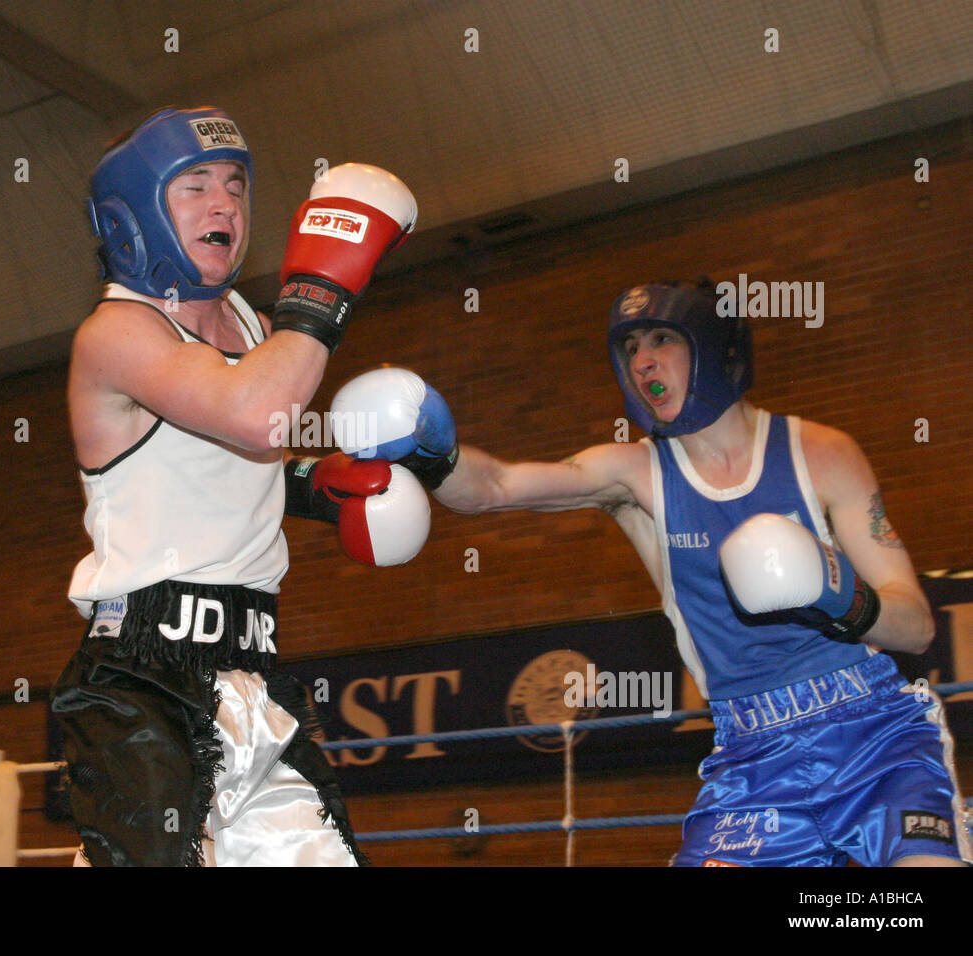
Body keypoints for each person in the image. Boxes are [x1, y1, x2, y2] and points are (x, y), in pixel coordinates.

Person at [331, 279, 971, 866]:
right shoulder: (632, 474)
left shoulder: (823, 455)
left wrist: (837, 592)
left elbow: (914, 628)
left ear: (716, 347)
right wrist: (433, 450)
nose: (643, 362)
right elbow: (493, 486)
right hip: (753, 760)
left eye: (662, 339)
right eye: (631, 346)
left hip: (877, 737)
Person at [51, 106, 422, 866]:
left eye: (236, 186)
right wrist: (323, 287)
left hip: (254, 672)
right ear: (138, 213)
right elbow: (254, 417)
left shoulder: (253, 326)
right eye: (194, 187)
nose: (224, 204)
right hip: (142, 681)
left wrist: (315, 486)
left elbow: (218, 459)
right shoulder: (118, 333)